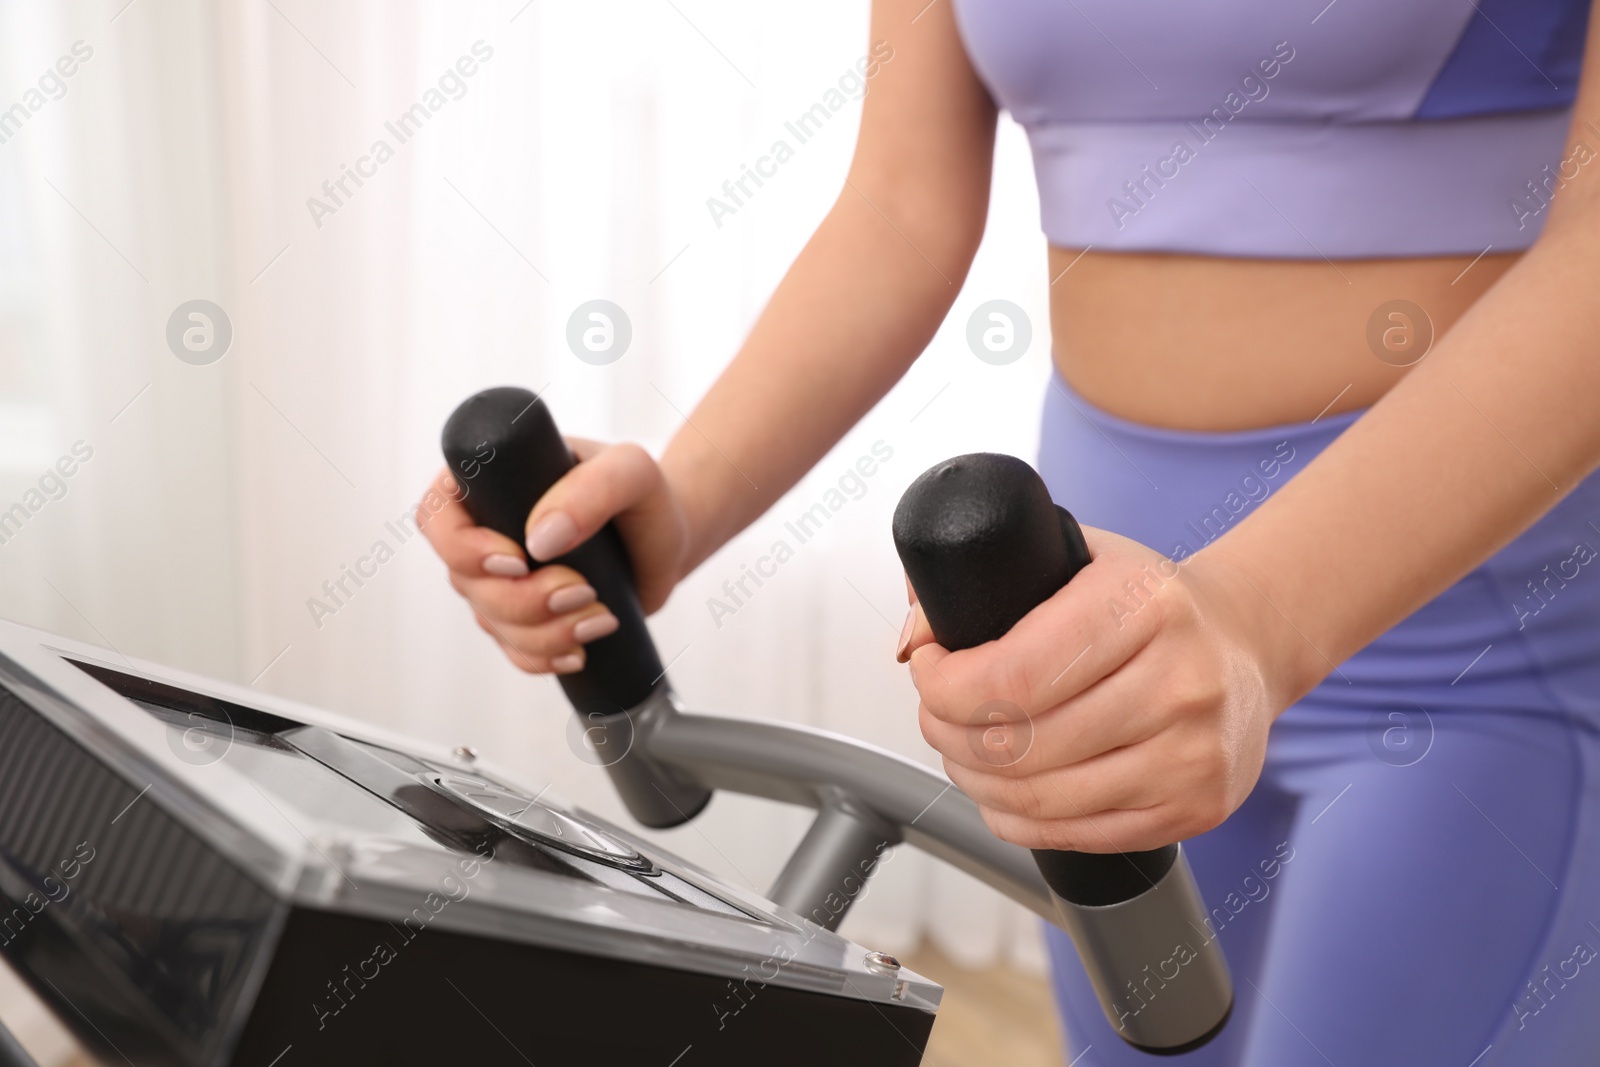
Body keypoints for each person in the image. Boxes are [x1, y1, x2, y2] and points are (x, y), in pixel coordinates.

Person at [422, 1, 1600, 1062]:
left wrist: (1255, 617)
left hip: (1463, 628)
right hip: (1082, 619)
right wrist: (684, 499)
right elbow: (899, 207)